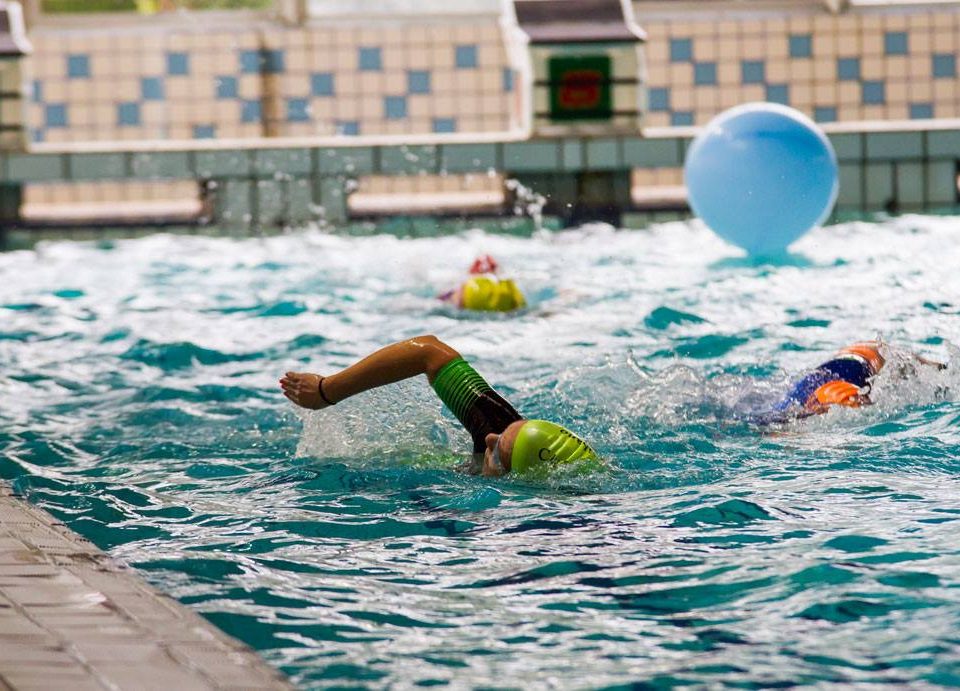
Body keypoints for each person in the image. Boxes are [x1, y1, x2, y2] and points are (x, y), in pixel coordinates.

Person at [279, 335, 599, 477]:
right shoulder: (499, 427)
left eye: (498, 451)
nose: (487, 438)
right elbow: (428, 352)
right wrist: (325, 390)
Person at [752, 340, 946, 424]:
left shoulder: (825, 395)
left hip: (869, 356)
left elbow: (862, 404)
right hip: (846, 360)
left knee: (940, 374)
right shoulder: (789, 410)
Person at [438, 254, 527, 313]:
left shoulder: (467, 283)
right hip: (504, 309)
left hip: (469, 303)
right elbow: (521, 306)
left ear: (472, 271)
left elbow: (442, 299)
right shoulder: (507, 284)